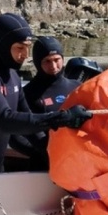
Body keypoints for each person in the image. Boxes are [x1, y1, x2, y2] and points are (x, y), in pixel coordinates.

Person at [0, 13, 91, 174]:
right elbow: (4, 119)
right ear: (3, 45)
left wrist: (55, 153)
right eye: (20, 48)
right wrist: (61, 118)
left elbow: (28, 122)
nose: (26, 55)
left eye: (28, 48)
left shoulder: (12, 75)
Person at [19, 36, 83, 171]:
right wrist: (42, 150)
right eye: (47, 61)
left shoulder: (77, 87)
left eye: (56, 60)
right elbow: (16, 132)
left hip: (77, 159)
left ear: (63, 59)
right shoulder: (27, 93)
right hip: (44, 164)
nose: (53, 66)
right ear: (37, 63)